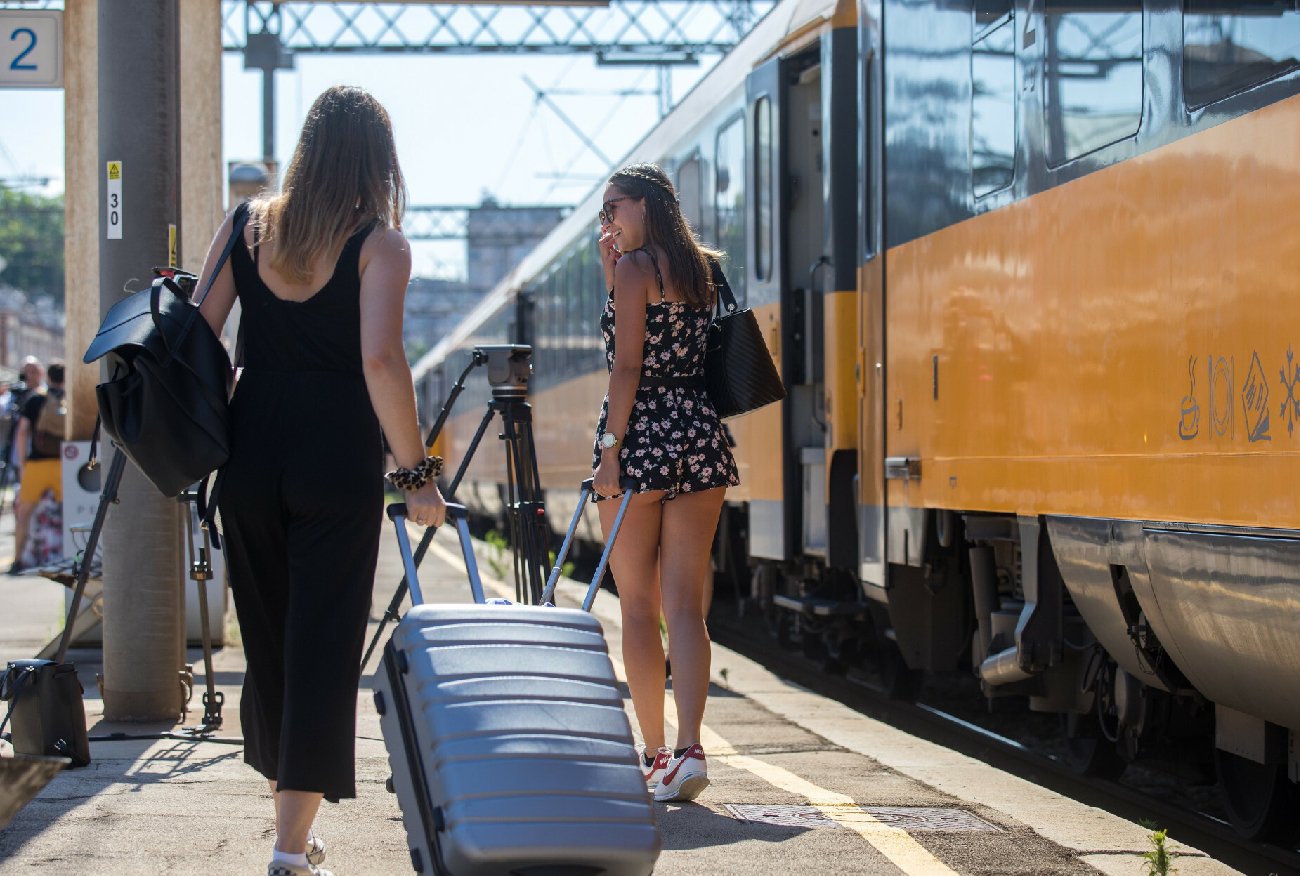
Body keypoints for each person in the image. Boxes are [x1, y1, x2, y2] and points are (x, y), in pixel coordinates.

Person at [196, 86, 446, 876]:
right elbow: (380, 361)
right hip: (336, 452)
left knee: (269, 640)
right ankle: (290, 847)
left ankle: (291, 831)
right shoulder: (381, 244)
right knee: (324, 645)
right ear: (379, 158)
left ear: (307, 149)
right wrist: (416, 476)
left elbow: (200, 332)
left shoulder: (246, 225)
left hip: (250, 444)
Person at [591, 163, 739, 803]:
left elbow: (626, 366)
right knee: (686, 605)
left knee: (637, 607)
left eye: (613, 208)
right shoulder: (704, 268)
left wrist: (609, 452)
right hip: (700, 437)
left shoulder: (634, 269)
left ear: (644, 204)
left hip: (643, 438)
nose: (608, 222)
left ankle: (652, 757)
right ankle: (690, 750)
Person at [11, 361, 62, 574]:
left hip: (36, 464)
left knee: (24, 513)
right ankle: (72, 557)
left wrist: (22, 463)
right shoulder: (70, 399)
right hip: (63, 463)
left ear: (47, 376)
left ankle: (18, 560)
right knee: (70, 512)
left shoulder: (35, 400)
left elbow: (23, 431)